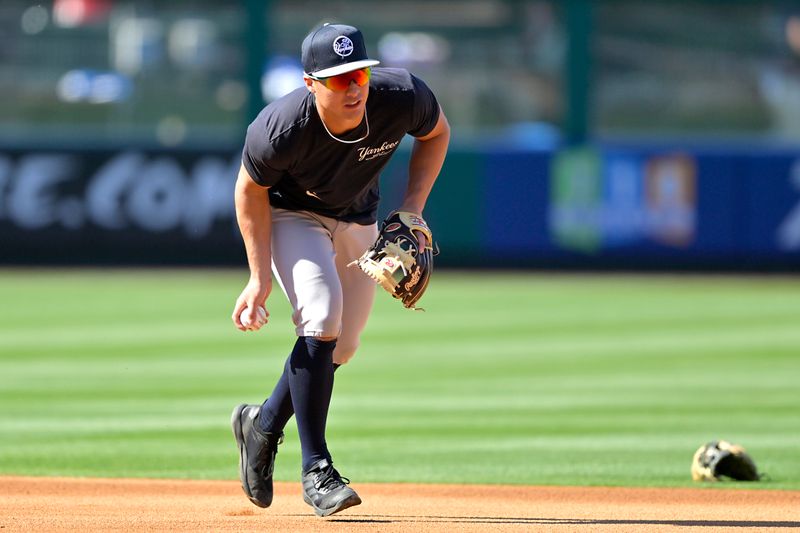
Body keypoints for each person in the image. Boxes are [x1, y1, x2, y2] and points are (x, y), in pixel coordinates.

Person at [229, 22, 450, 518]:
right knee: (321, 318)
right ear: (311, 83)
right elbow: (248, 192)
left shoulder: (400, 96)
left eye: (358, 75)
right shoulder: (280, 127)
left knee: (342, 346)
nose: (352, 88)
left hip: (359, 217)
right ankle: (316, 470)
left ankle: (261, 425)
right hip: (292, 215)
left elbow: (437, 134)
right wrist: (259, 276)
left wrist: (412, 209)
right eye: (337, 79)